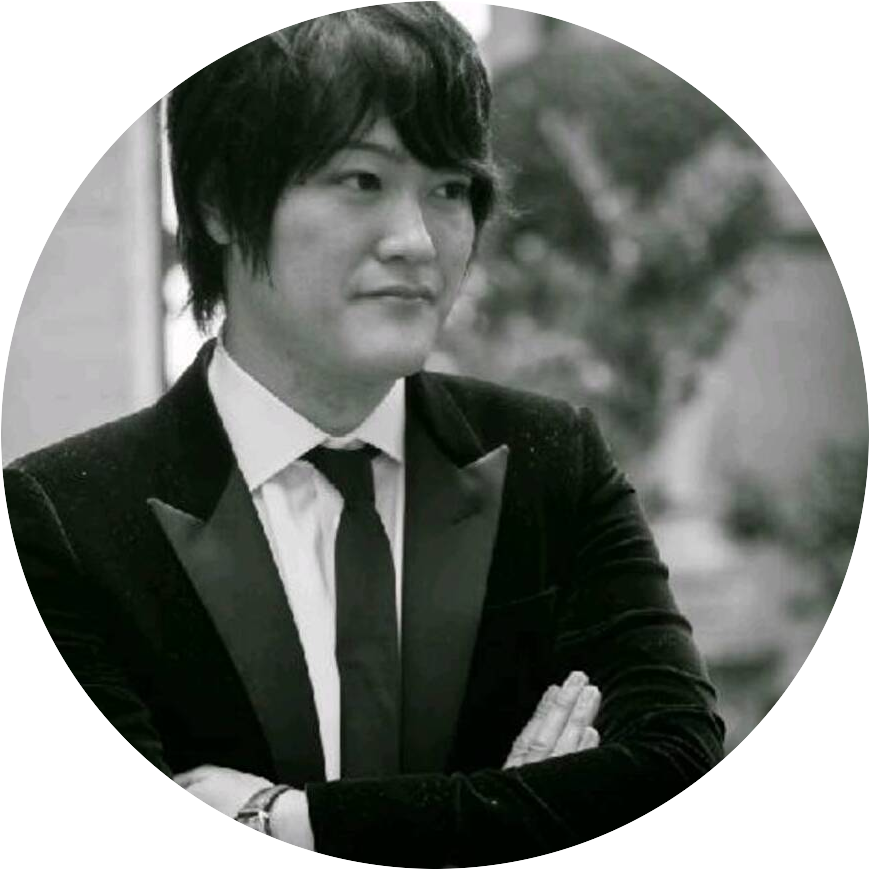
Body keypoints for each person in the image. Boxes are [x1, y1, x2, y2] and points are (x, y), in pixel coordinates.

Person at [6, 5, 724, 864]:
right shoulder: (64, 517)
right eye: (360, 180)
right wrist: (511, 812)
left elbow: (676, 760)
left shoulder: (550, 458)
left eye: (449, 189)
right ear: (220, 202)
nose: (416, 242)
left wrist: (287, 818)